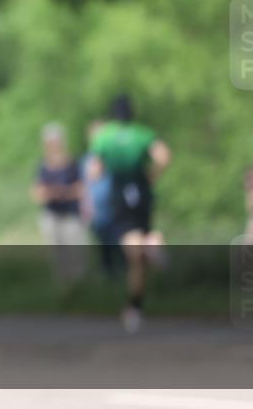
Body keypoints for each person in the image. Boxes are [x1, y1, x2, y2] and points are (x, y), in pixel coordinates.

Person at [87, 94, 171, 333]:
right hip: (141, 189)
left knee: (132, 250)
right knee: (140, 249)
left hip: (120, 190)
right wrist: (151, 175)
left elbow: (94, 170)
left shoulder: (104, 136)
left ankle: (149, 245)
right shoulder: (143, 133)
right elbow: (164, 157)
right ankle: (152, 242)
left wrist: (101, 172)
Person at [32, 122, 87, 284]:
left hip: (71, 215)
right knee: (57, 253)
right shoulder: (42, 165)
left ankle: (80, 285)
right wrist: (63, 192)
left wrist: (55, 192)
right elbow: (38, 193)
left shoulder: (73, 163)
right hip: (51, 215)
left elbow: (81, 190)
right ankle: (64, 286)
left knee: (76, 252)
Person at [81, 120, 122, 278]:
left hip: (116, 208)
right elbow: (84, 184)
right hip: (97, 211)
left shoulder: (114, 156)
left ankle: (123, 274)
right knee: (105, 246)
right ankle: (109, 275)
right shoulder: (86, 160)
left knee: (120, 243)